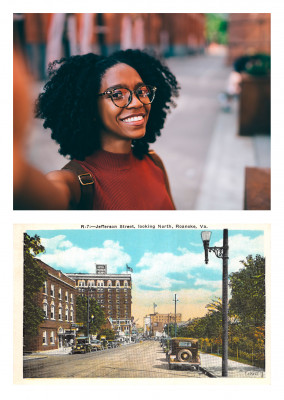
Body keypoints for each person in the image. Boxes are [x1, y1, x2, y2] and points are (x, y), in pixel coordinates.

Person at [14, 49, 180, 210]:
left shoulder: (154, 163)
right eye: (117, 94)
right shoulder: (73, 183)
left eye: (141, 91)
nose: (137, 102)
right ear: (90, 107)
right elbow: (37, 196)